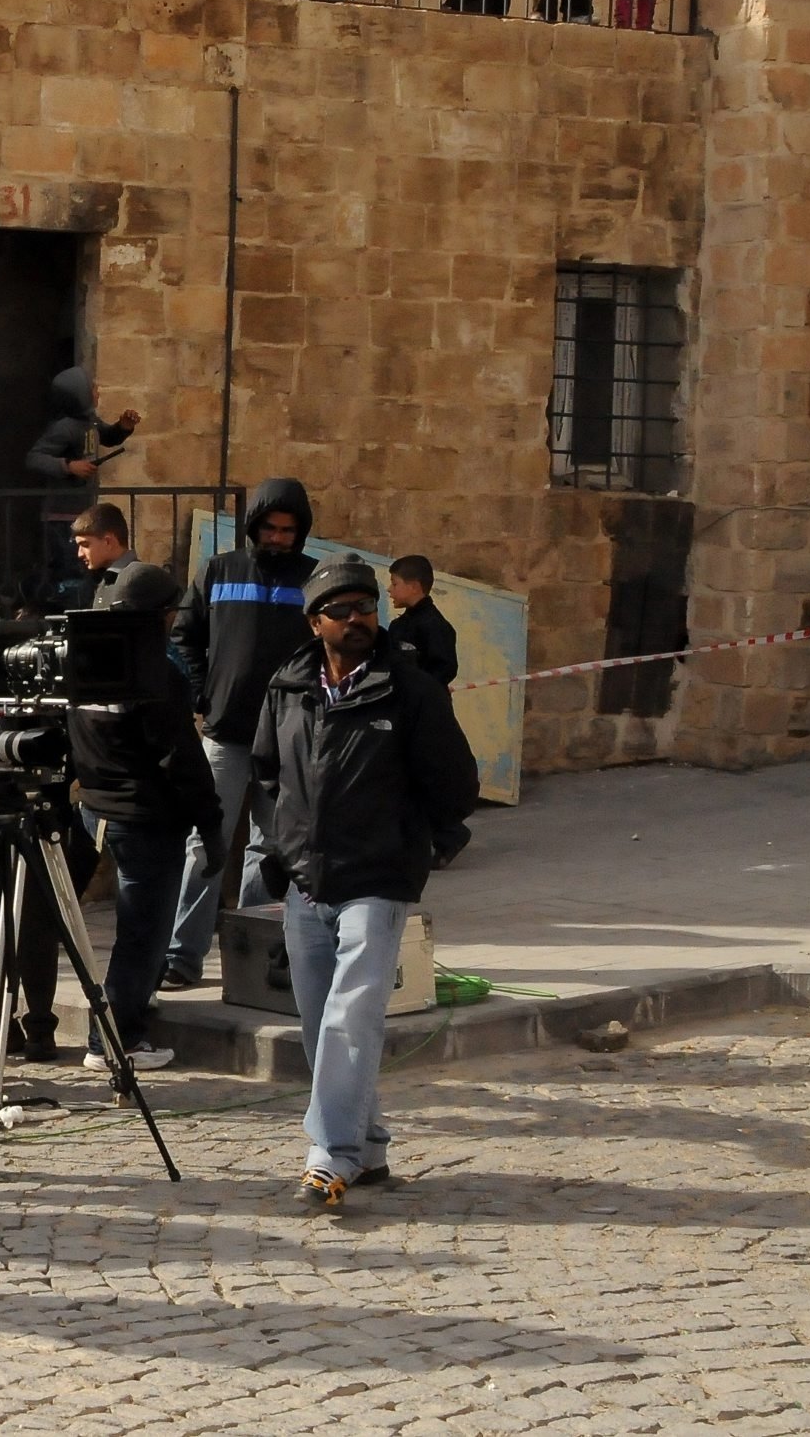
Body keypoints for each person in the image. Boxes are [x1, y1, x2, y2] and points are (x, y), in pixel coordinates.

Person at [254, 561, 479, 1212]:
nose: (358, 620)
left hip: (378, 879)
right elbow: (268, 774)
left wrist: (415, 843)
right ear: (315, 621)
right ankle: (371, 1142)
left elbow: (455, 786)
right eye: (342, 610)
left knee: (352, 1015)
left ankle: (332, 1153)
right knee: (320, 1022)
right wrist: (284, 847)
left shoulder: (409, 691)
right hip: (306, 882)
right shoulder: (288, 686)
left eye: (366, 607)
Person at [64, 564, 219, 1075]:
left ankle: (128, 1011)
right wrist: (212, 823)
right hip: (145, 819)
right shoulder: (156, 670)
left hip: (96, 810)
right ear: (165, 615)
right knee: (143, 933)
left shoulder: (85, 659)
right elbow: (181, 758)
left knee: (131, 932)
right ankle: (117, 1038)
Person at [165, 478, 318, 990]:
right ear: (254, 527)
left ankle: (248, 954)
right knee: (204, 846)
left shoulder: (314, 580)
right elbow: (186, 636)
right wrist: (201, 694)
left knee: (272, 849)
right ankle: (182, 958)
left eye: (288, 531)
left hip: (287, 741)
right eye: (270, 528)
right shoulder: (219, 571)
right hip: (226, 735)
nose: (278, 538)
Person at [27, 369, 139, 605]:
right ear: (78, 395)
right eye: (92, 388)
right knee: (70, 573)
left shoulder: (90, 421)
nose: (97, 392)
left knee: (82, 573)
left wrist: (122, 427)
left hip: (80, 513)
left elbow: (106, 436)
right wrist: (69, 466)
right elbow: (35, 457)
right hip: (61, 515)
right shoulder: (64, 427)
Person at [385, 555, 461, 687]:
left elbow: (444, 670)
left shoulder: (435, 626)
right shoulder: (398, 625)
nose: (389, 589)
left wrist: (416, 692)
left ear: (414, 587)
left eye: (395, 583)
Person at [70, 501, 138, 609]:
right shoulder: (105, 579)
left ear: (108, 542)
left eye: (85, 545)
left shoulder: (137, 577)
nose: (80, 554)